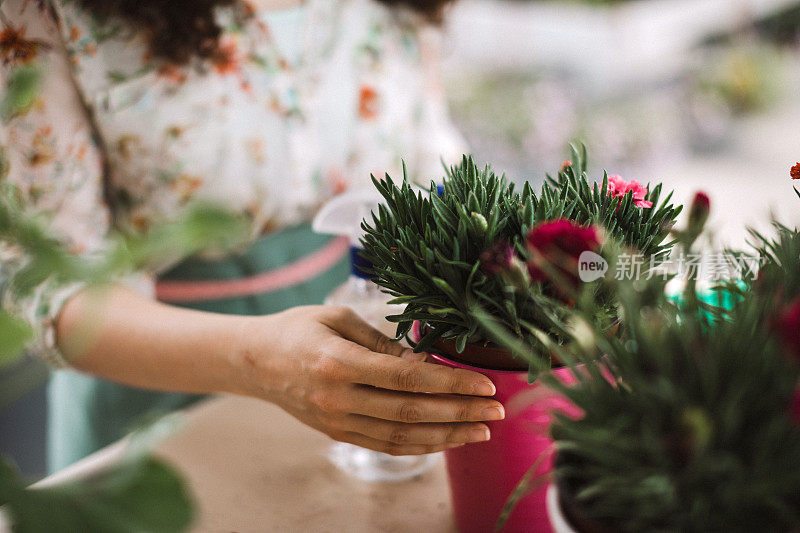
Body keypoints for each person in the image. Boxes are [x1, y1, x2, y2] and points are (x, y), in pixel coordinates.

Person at [0, 0, 504, 472]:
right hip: (152, 397)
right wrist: (257, 361)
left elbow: (432, 162)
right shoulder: (45, 10)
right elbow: (52, 284)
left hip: (364, 382)